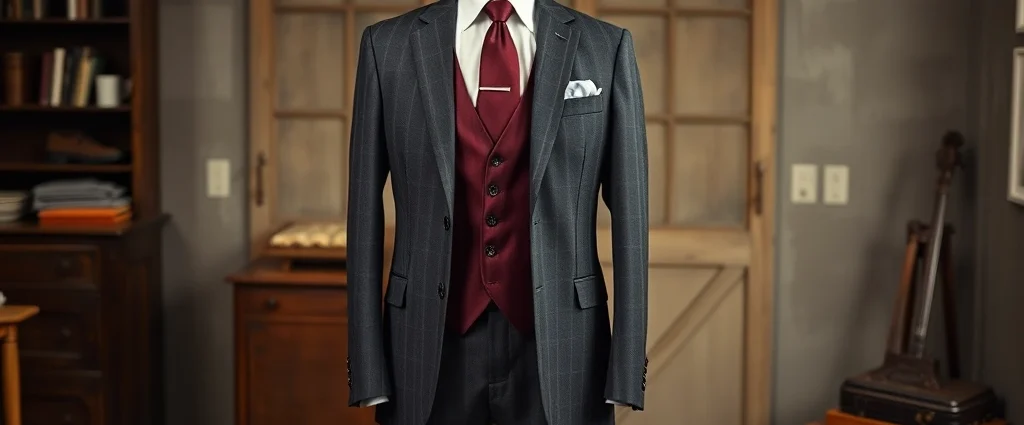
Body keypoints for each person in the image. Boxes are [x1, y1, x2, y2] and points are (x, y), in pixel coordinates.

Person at [345, 0, 649, 424]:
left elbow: (632, 221)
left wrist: (627, 368)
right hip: (425, 348)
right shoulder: (387, 46)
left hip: (564, 348)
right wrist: (368, 369)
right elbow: (362, 217)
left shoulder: (605, 46)